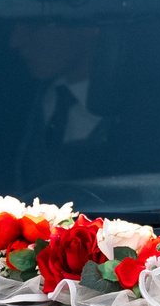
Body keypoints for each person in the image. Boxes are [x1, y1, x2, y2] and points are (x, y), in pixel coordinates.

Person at [8, 16, 117, 189]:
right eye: (15, 26)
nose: (15, 41)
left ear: (90, 27)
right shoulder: (12, 105)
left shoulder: (145, 115)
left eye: (34, 24)